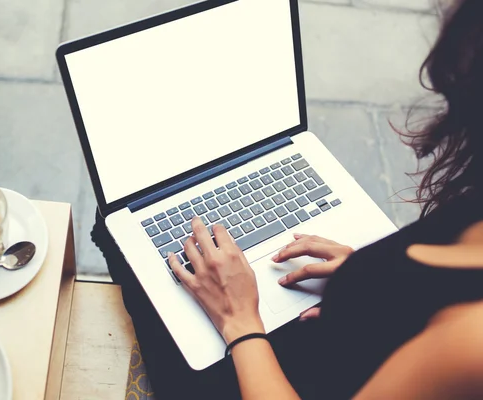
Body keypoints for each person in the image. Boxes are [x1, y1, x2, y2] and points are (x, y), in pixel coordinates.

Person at [91, 0, 483, 398]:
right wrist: (370, 280)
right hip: (344, 330)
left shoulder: (469, 344)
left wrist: (239, 322)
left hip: (286, 376)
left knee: (110, 230)